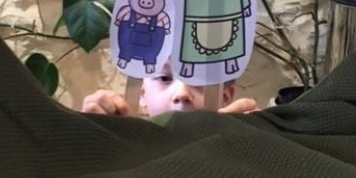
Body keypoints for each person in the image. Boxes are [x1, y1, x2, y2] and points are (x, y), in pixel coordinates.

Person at [82, 59, 259, 117]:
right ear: (142, 94)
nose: (182, 94)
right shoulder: (124, 146)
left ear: (225, 97)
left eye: (199, 79)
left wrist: (260, 142)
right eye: (164, 78)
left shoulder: (237, 146)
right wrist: (90, 134)